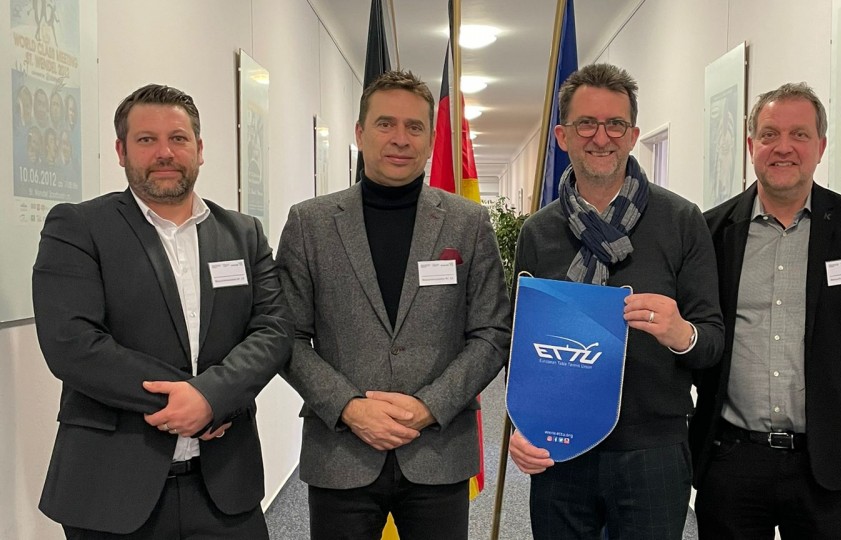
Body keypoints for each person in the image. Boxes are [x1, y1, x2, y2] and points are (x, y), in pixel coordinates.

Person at [33, 83, 293, 538]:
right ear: (121, 151)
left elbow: (273, 329)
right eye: (146, 139)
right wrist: (195, 400)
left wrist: (211, 397)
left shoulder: (243, 234)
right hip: (111, 488)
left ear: (200, 149)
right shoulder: (79, 227)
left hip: (225, 486)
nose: (164, 152)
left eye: (178, 138)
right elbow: (72, 344)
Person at [276, 69, 511, 540]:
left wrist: (428, 406)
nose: (400, 139)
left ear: (430, 141)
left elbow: (493, 332)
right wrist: (349, 407)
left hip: (437, 449)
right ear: (360, 133)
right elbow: (285, 335)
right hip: (341, 451)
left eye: (414, 127)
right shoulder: (310, 223)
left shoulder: (468, 223)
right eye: (385, 124)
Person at [507, 63, 724, 540]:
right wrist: (521, 426)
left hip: (653, 449)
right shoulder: (538, 233)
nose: (601, 137)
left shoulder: (681, 221)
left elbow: (711, 341)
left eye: (615, 124)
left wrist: (680, 333)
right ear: (563, 136)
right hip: (561, 445)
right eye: (586, 123)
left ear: (633, 135)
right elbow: (518, 346)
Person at [690, 82, 841, 539]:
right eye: (770, 134)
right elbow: (698, 330)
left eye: (799, 134)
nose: (784, 147)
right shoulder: (711, 232)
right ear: (751, 145)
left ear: (821, 147)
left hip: (826, 464)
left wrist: (838, 386)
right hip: (731, 459)